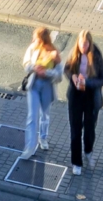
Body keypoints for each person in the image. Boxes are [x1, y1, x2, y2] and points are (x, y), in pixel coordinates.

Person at [64, 30, 103, 175]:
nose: (83, 47)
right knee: (75, 131)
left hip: (90, 96)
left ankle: (88, 150)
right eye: (81, 44)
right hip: (76, 96)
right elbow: (67, 69)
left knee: (89, 129)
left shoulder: (96, 55)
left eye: (86, 44)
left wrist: (87, 82)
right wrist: (74, 77)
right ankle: (76, 163)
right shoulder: (74, 53)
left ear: (90, 43)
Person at [20, 27, 63, 159]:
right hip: (34, 85)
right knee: (32, 116)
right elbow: (26, 63)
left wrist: (47, 72)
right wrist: (34, 67)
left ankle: (43, 138)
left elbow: (59, 76)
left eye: (36, 38)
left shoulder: (54, 53)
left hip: (47, 87)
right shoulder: (33, 48)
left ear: (43, 39)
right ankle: (30, 148)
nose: (33, 39)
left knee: (45, 114)